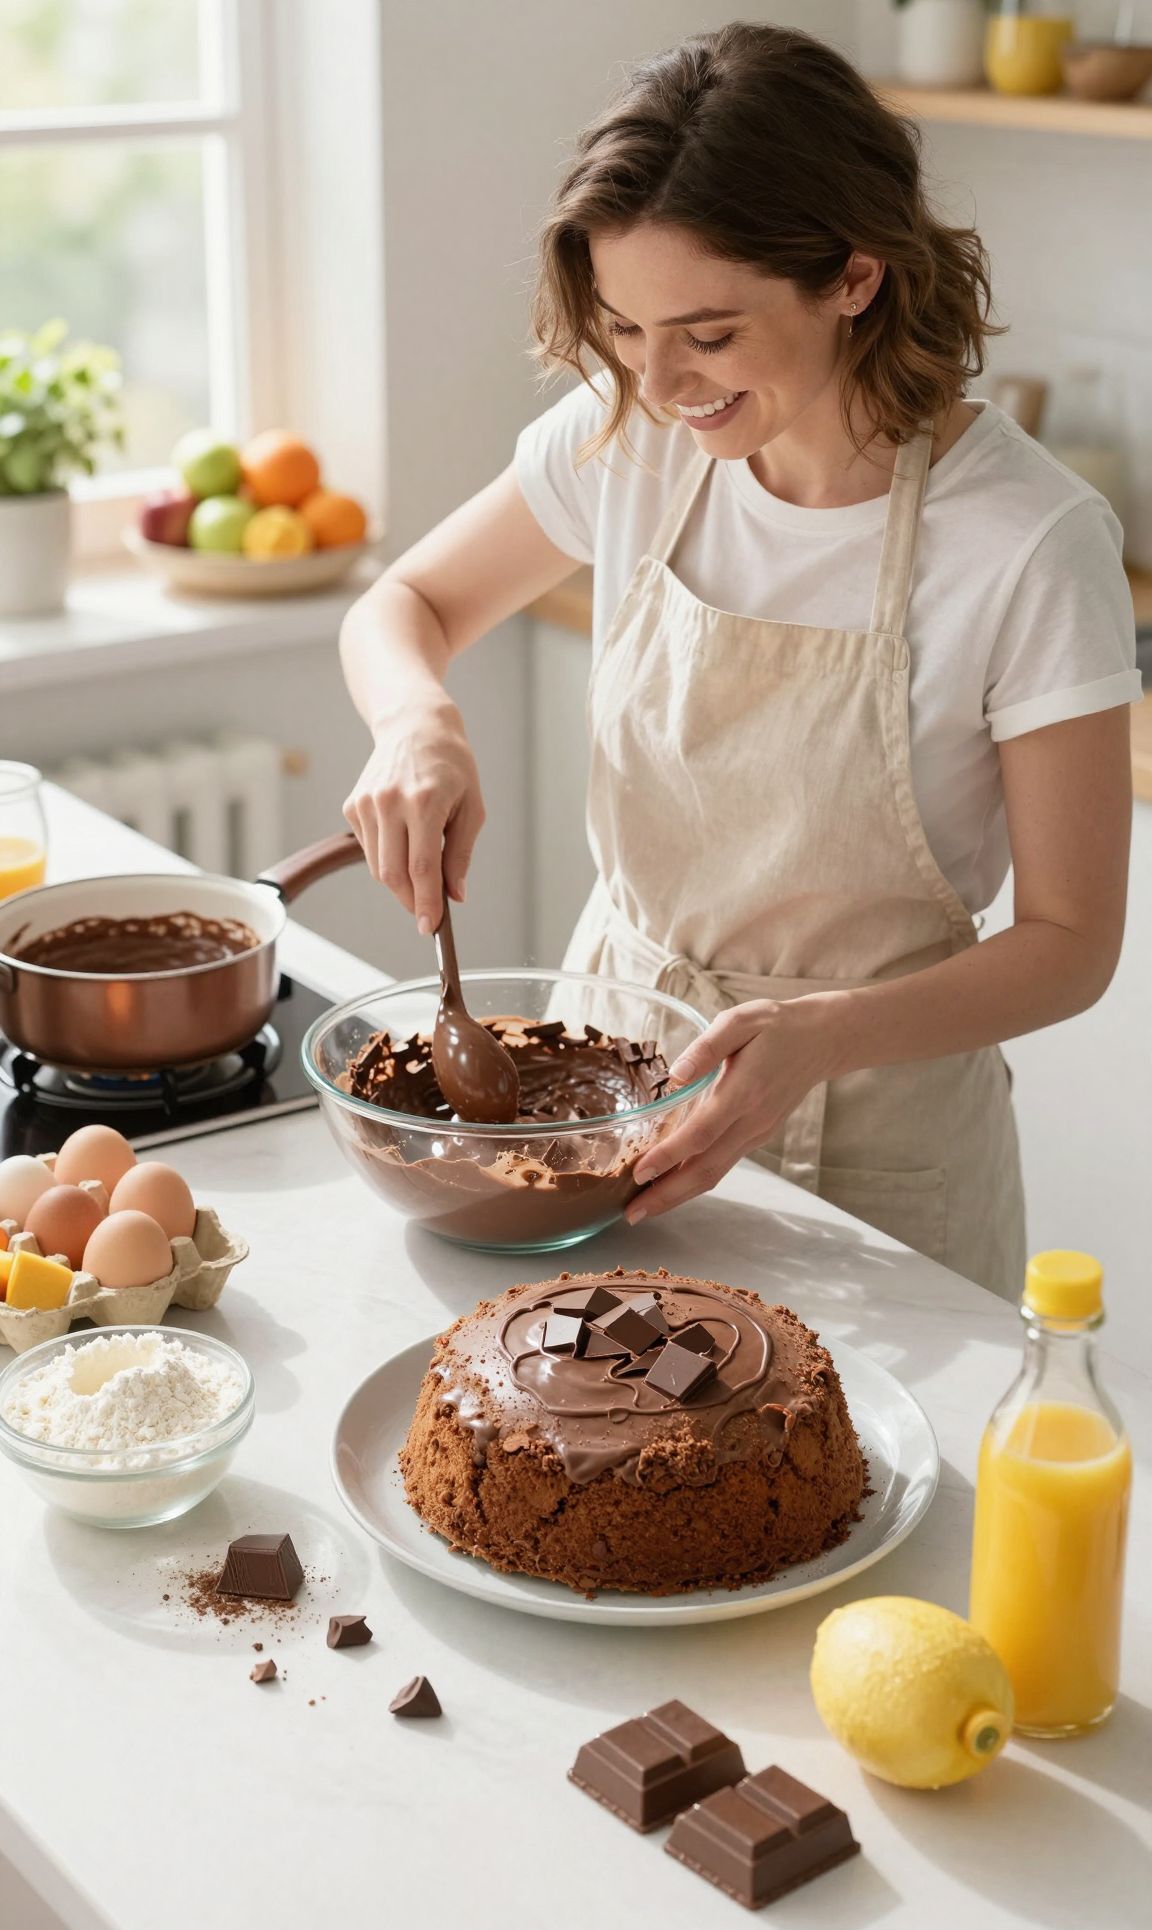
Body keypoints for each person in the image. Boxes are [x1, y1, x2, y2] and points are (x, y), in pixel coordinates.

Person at [339, 22, 1138, 1299]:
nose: (657, 381)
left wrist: (815, 1040)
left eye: (708, 335)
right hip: (608, 1099)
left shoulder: (1029, 540)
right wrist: (414, 721)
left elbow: (1071, 939)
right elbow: (407, 601)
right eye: (624, 327)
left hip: (881, 1158)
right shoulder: (631, 445)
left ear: (855, 277)